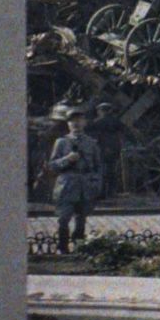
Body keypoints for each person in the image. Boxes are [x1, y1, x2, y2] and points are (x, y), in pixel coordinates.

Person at [48, 105, 105, 253]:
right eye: (72, 121)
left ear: (85, 122)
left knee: (81, 220)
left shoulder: (91, 143)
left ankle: (79, 248)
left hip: (85, 185)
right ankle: (63, 248)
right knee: (63, 219)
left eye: (79, 120)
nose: (76, 124)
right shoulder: (61, 142)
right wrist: (67, 159)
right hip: (66, 184)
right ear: (68, 124)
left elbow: (98, 166)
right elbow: (52, 166)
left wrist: (96, 183)